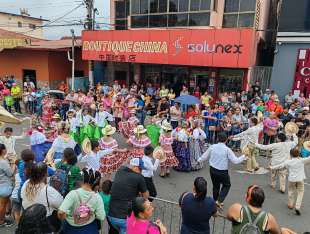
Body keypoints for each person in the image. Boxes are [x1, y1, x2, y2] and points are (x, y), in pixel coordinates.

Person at [197, 133, 247, 208]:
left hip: (213, 169)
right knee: (227, 185)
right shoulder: (227, 150)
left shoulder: (212, 147)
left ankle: (215, 201)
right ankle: (219, 200)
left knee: (216, 186)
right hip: (222, 171)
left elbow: (204, 156)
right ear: (226, 140)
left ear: (217, 139)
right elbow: (235, 161)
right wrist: (244, 156)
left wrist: (198, 160)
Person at [227, 185, 294, 234]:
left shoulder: (236, 208)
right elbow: (278, 232)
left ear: (248, 198)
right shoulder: (269, 218)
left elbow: (228, 217)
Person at [108, 158, 149, 234]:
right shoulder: (139, 177)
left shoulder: (120, 170)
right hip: (124, 219)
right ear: (135, 167)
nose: (141, 171)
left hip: (111, 216)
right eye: (140, 169)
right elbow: (146, 196)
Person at [58, 169, 105, 234]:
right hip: (88, 227)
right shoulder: (97, 197)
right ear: (96, 185)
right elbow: (101, 216)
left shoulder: (73, 194)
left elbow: (60, 212)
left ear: (83, 181)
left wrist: (67, 217)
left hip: (71, 227)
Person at [21, 162, 63, 231]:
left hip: (28, 218)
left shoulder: (26, 183)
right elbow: (60, 205)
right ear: (45, 174)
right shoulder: (48, 190)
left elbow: (22, 197)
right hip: (45, 222)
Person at [271, 148, 310, 215]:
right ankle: (297, 207)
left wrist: (272, 167)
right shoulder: (302, 160)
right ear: (298, 154)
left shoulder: (288, 162)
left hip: (292, 179)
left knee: (291, 191)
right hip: (300, 179)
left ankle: (291, 204)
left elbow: (280, 166)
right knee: (300, 192)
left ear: (290, 154)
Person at [0, 143, 15, 227]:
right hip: (4, 186)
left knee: (1, 204)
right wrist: (13, 164)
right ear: (3, 150)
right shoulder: (3, 162)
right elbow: (10, 173)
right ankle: (1, 221)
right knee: (2, 205)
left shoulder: (3, 160)